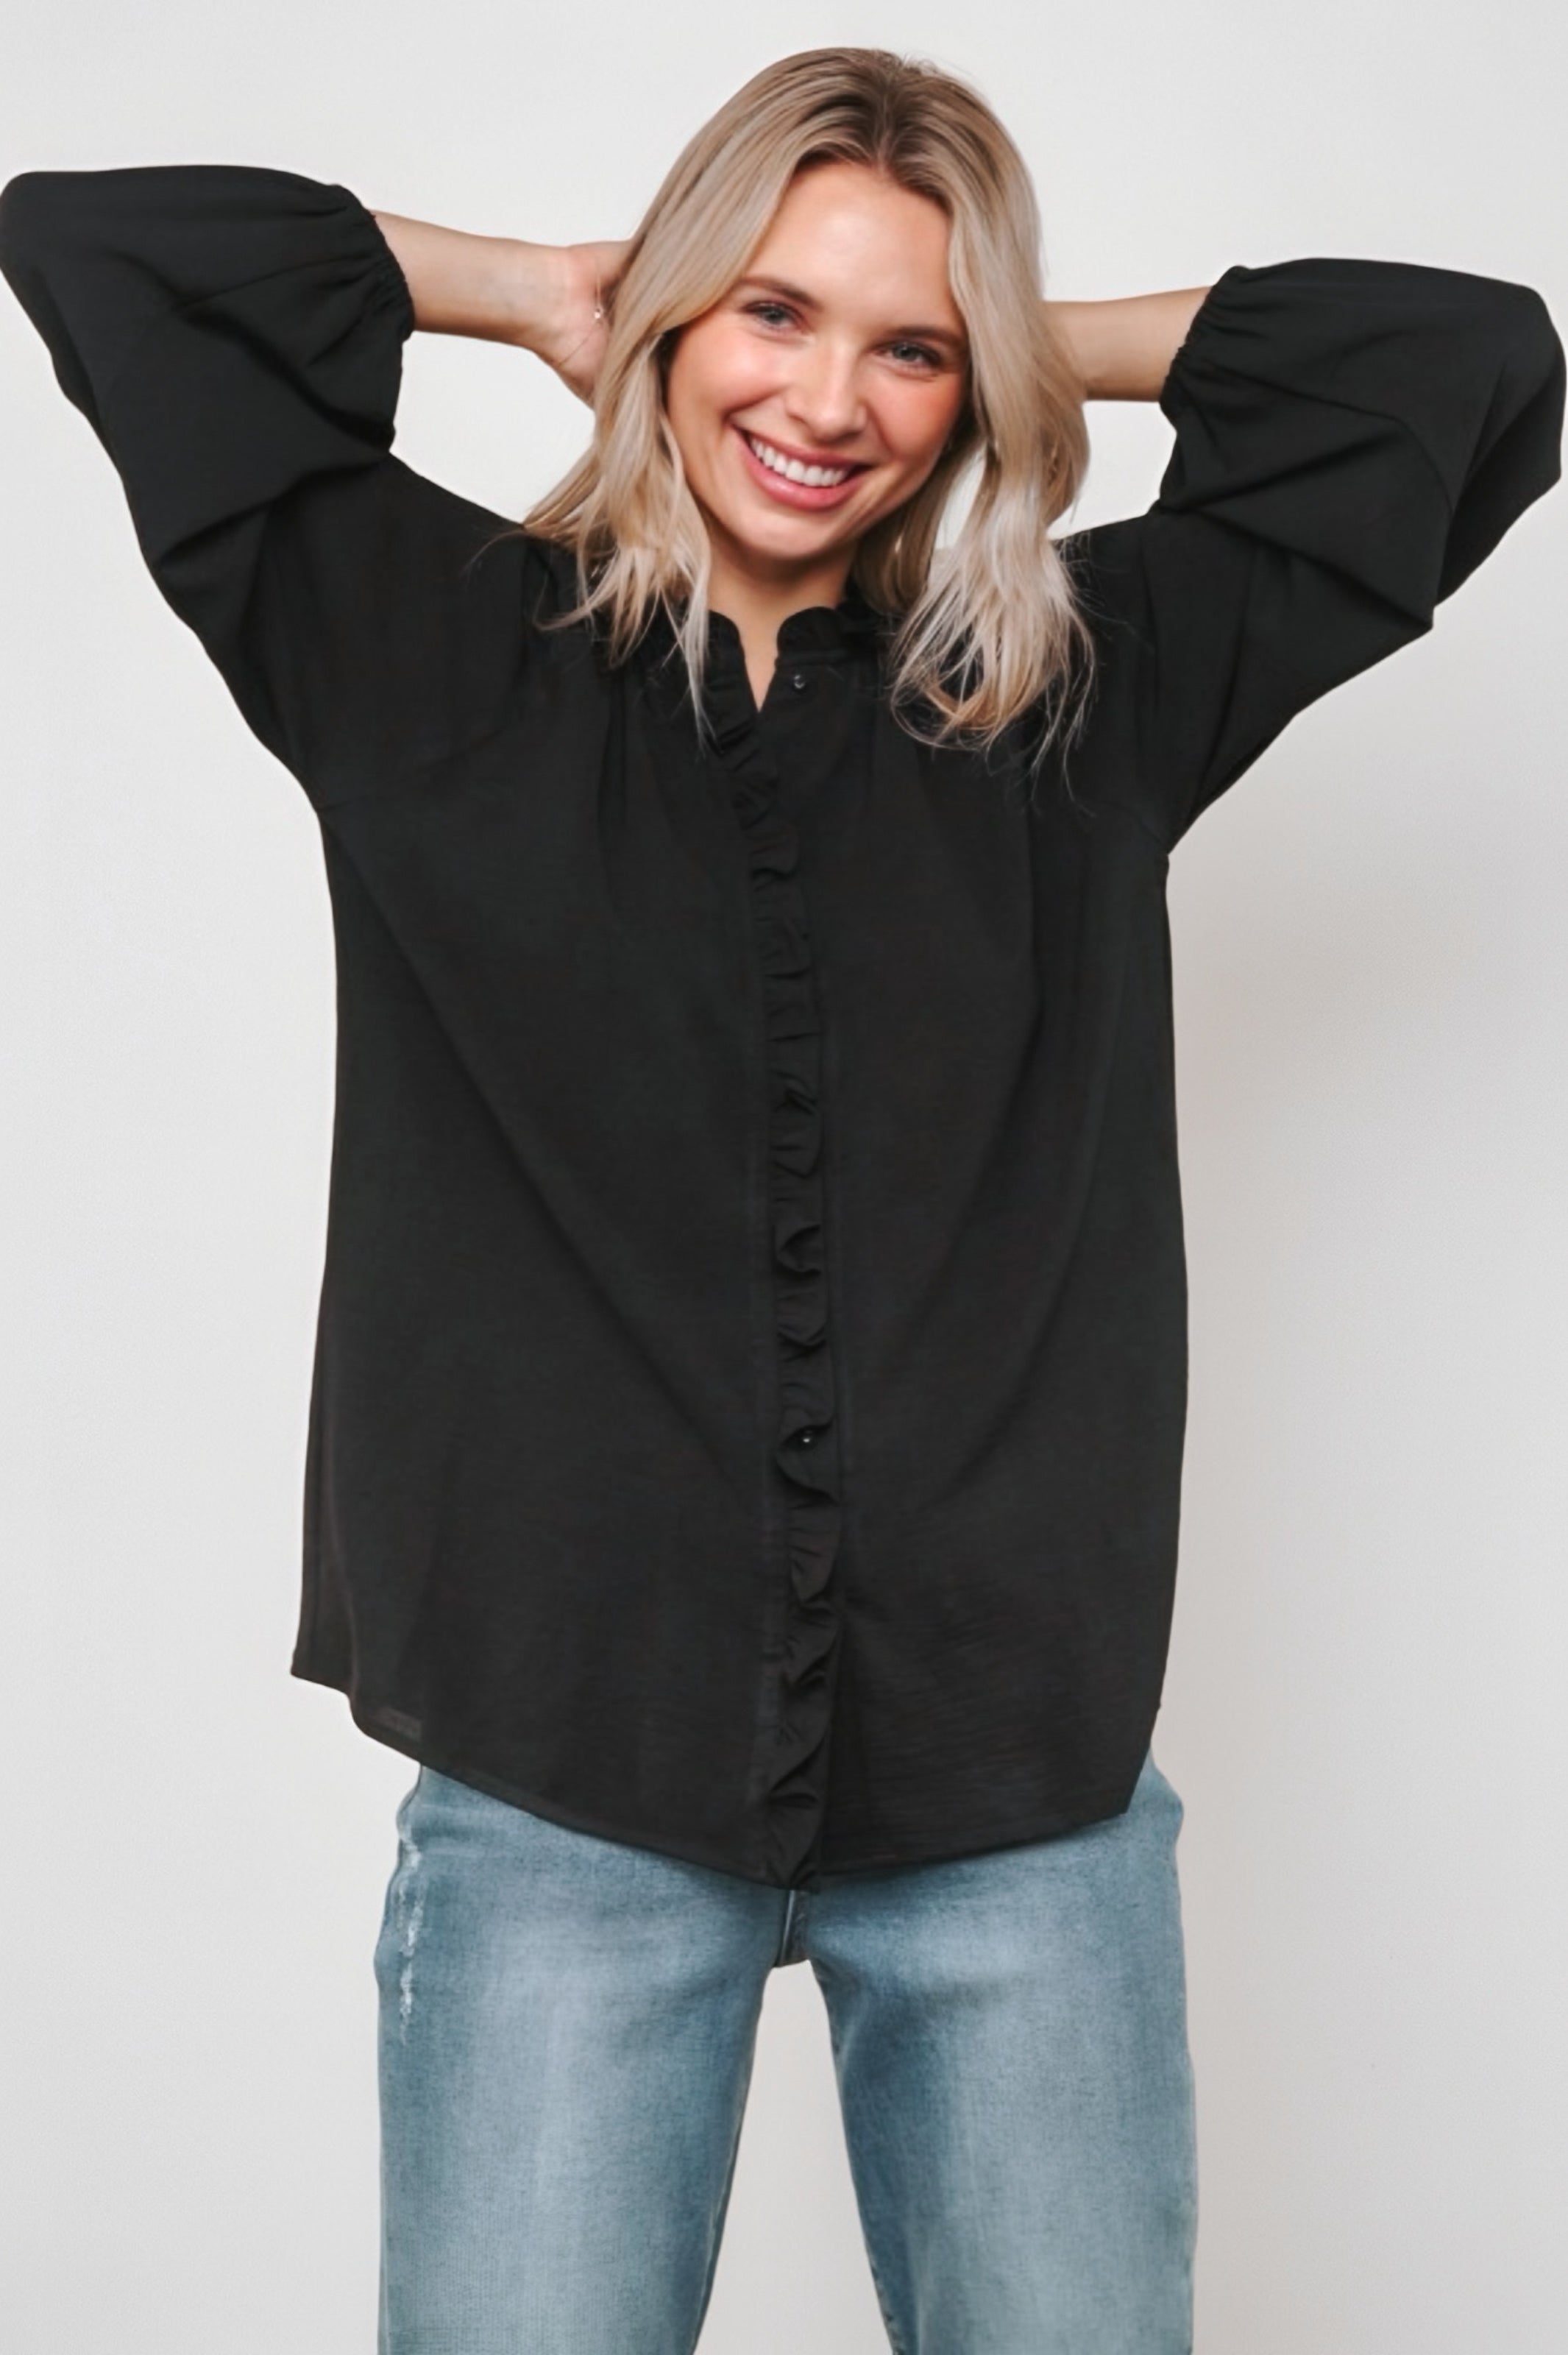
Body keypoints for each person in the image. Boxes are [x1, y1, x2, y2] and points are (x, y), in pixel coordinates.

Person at [1, 43, 1561, 2355]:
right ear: (670, 326)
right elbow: (103, 244)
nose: (830, 395)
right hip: (565, 1807)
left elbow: (1468, 363)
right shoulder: (421, 658)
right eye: (767, 311)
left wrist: (1041, 331)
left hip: (1019, 1817)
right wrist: (542, 286)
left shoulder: (1078, 705)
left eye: (911, 344)